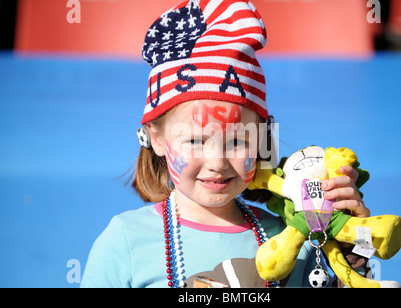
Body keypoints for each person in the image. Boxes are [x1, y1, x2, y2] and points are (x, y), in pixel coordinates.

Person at [80, 0, 369, 288]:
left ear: (261, 139)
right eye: (195, 140)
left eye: (236, 141)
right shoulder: (126, 242)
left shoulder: (291, 239)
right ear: (156, 137)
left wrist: (356, 244)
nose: (217, 162)